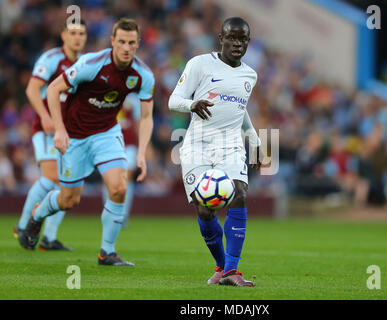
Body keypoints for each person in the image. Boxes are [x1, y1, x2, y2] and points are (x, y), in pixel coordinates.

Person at [19, 18, 155, 267]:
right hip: (75, 136)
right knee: (69, 200)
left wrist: (142, 153)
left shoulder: (143, 74)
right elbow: (52, 89)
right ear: (112, 41)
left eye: (131, 43)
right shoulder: (91, 64)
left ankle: (107, 252)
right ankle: (37, 215)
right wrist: (59, 130)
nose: (126, 48)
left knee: (119, 187)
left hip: (106, 133)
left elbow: (146, 117)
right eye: (122, 42)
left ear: (138, 44)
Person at [168, 17, 262, 286]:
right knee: (205, 209)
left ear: (247, 42)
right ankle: (221, 267)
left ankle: (232, 271)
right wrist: (192, 104)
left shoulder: (249, 75)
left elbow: (239, 110)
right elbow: (173, 100)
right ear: (220, 38)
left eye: (242, 39)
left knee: (240, 193)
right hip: (197, 145)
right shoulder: (199, 64)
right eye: (231, 37)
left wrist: (254, 140)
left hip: (230, 145)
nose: (237, 43)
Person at [13, 20, 87, 251]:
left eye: (82, 33)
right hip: (46, 128)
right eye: (73, 33)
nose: (78, 37)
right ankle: (23, 226)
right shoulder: (52, 59)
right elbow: (32, 89)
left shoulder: (85, 63)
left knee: (69, 181)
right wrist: (45, 116)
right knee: (51, 176)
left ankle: (49, 238)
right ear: (63, 35)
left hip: (70, 131)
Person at [102, 93, 140, 228]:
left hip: (128, 143)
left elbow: (137, 123)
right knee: (109, 178)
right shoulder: (107, 93)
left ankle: (122, 215)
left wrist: (142, 147)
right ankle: (109, 212)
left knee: (127, 176)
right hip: (109, 142)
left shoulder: (134, 99)